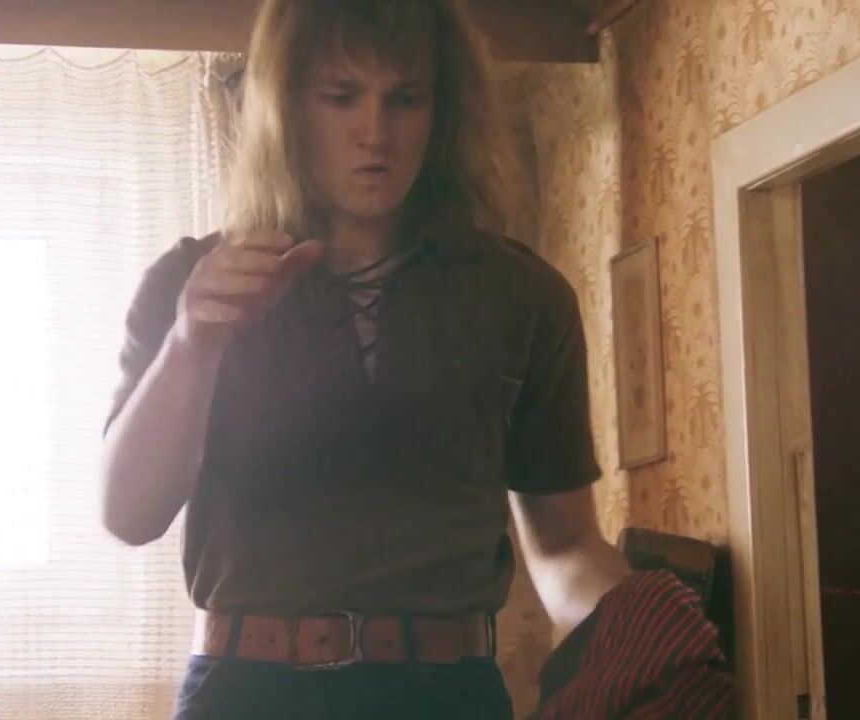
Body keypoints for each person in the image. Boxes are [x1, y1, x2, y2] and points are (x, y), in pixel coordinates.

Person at [98, 0, 632, 717]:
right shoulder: (190, 284)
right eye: (341, 96)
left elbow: (566, 548)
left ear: (444, 112)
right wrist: (193, 342)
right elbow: (130, 516)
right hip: (247, 691)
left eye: (406, 99)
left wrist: (639, 632)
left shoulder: (522, 295)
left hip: (447, 696)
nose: (375, 132)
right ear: (288, 108)